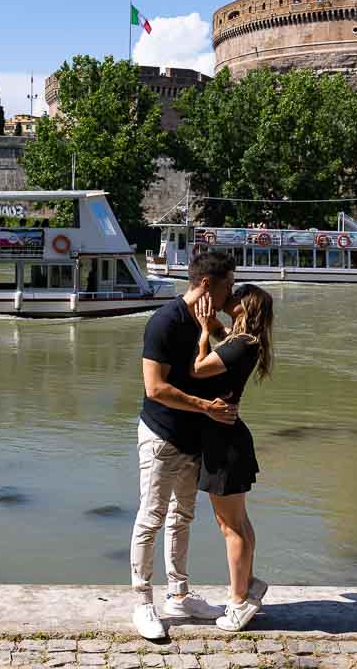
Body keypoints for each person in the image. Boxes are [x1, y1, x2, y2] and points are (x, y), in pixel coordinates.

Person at [129, 251, 240, 640]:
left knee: (183, 517)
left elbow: (239, 352)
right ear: (207, 283)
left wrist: (214, 326)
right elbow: (154, 388)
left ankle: (179, 594)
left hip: (195, 436)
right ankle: (142, 602)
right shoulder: (165, 320)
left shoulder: (207, 320)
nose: (233, 291)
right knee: (151, 517)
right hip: (161, 434)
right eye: (229, 283)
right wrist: (206, 407)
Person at [189, 285, 274, 632]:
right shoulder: (247, 341)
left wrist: (203, 332)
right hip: (229, 437)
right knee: (238, 522)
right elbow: (229, 344)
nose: (231, 297)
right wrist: (214, 324)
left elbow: (198, 369)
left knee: (231, 527)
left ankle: (239, 603)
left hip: (224, 441)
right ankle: (249, 584)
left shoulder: (241, 345)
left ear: (245, 305)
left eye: (236, 295)